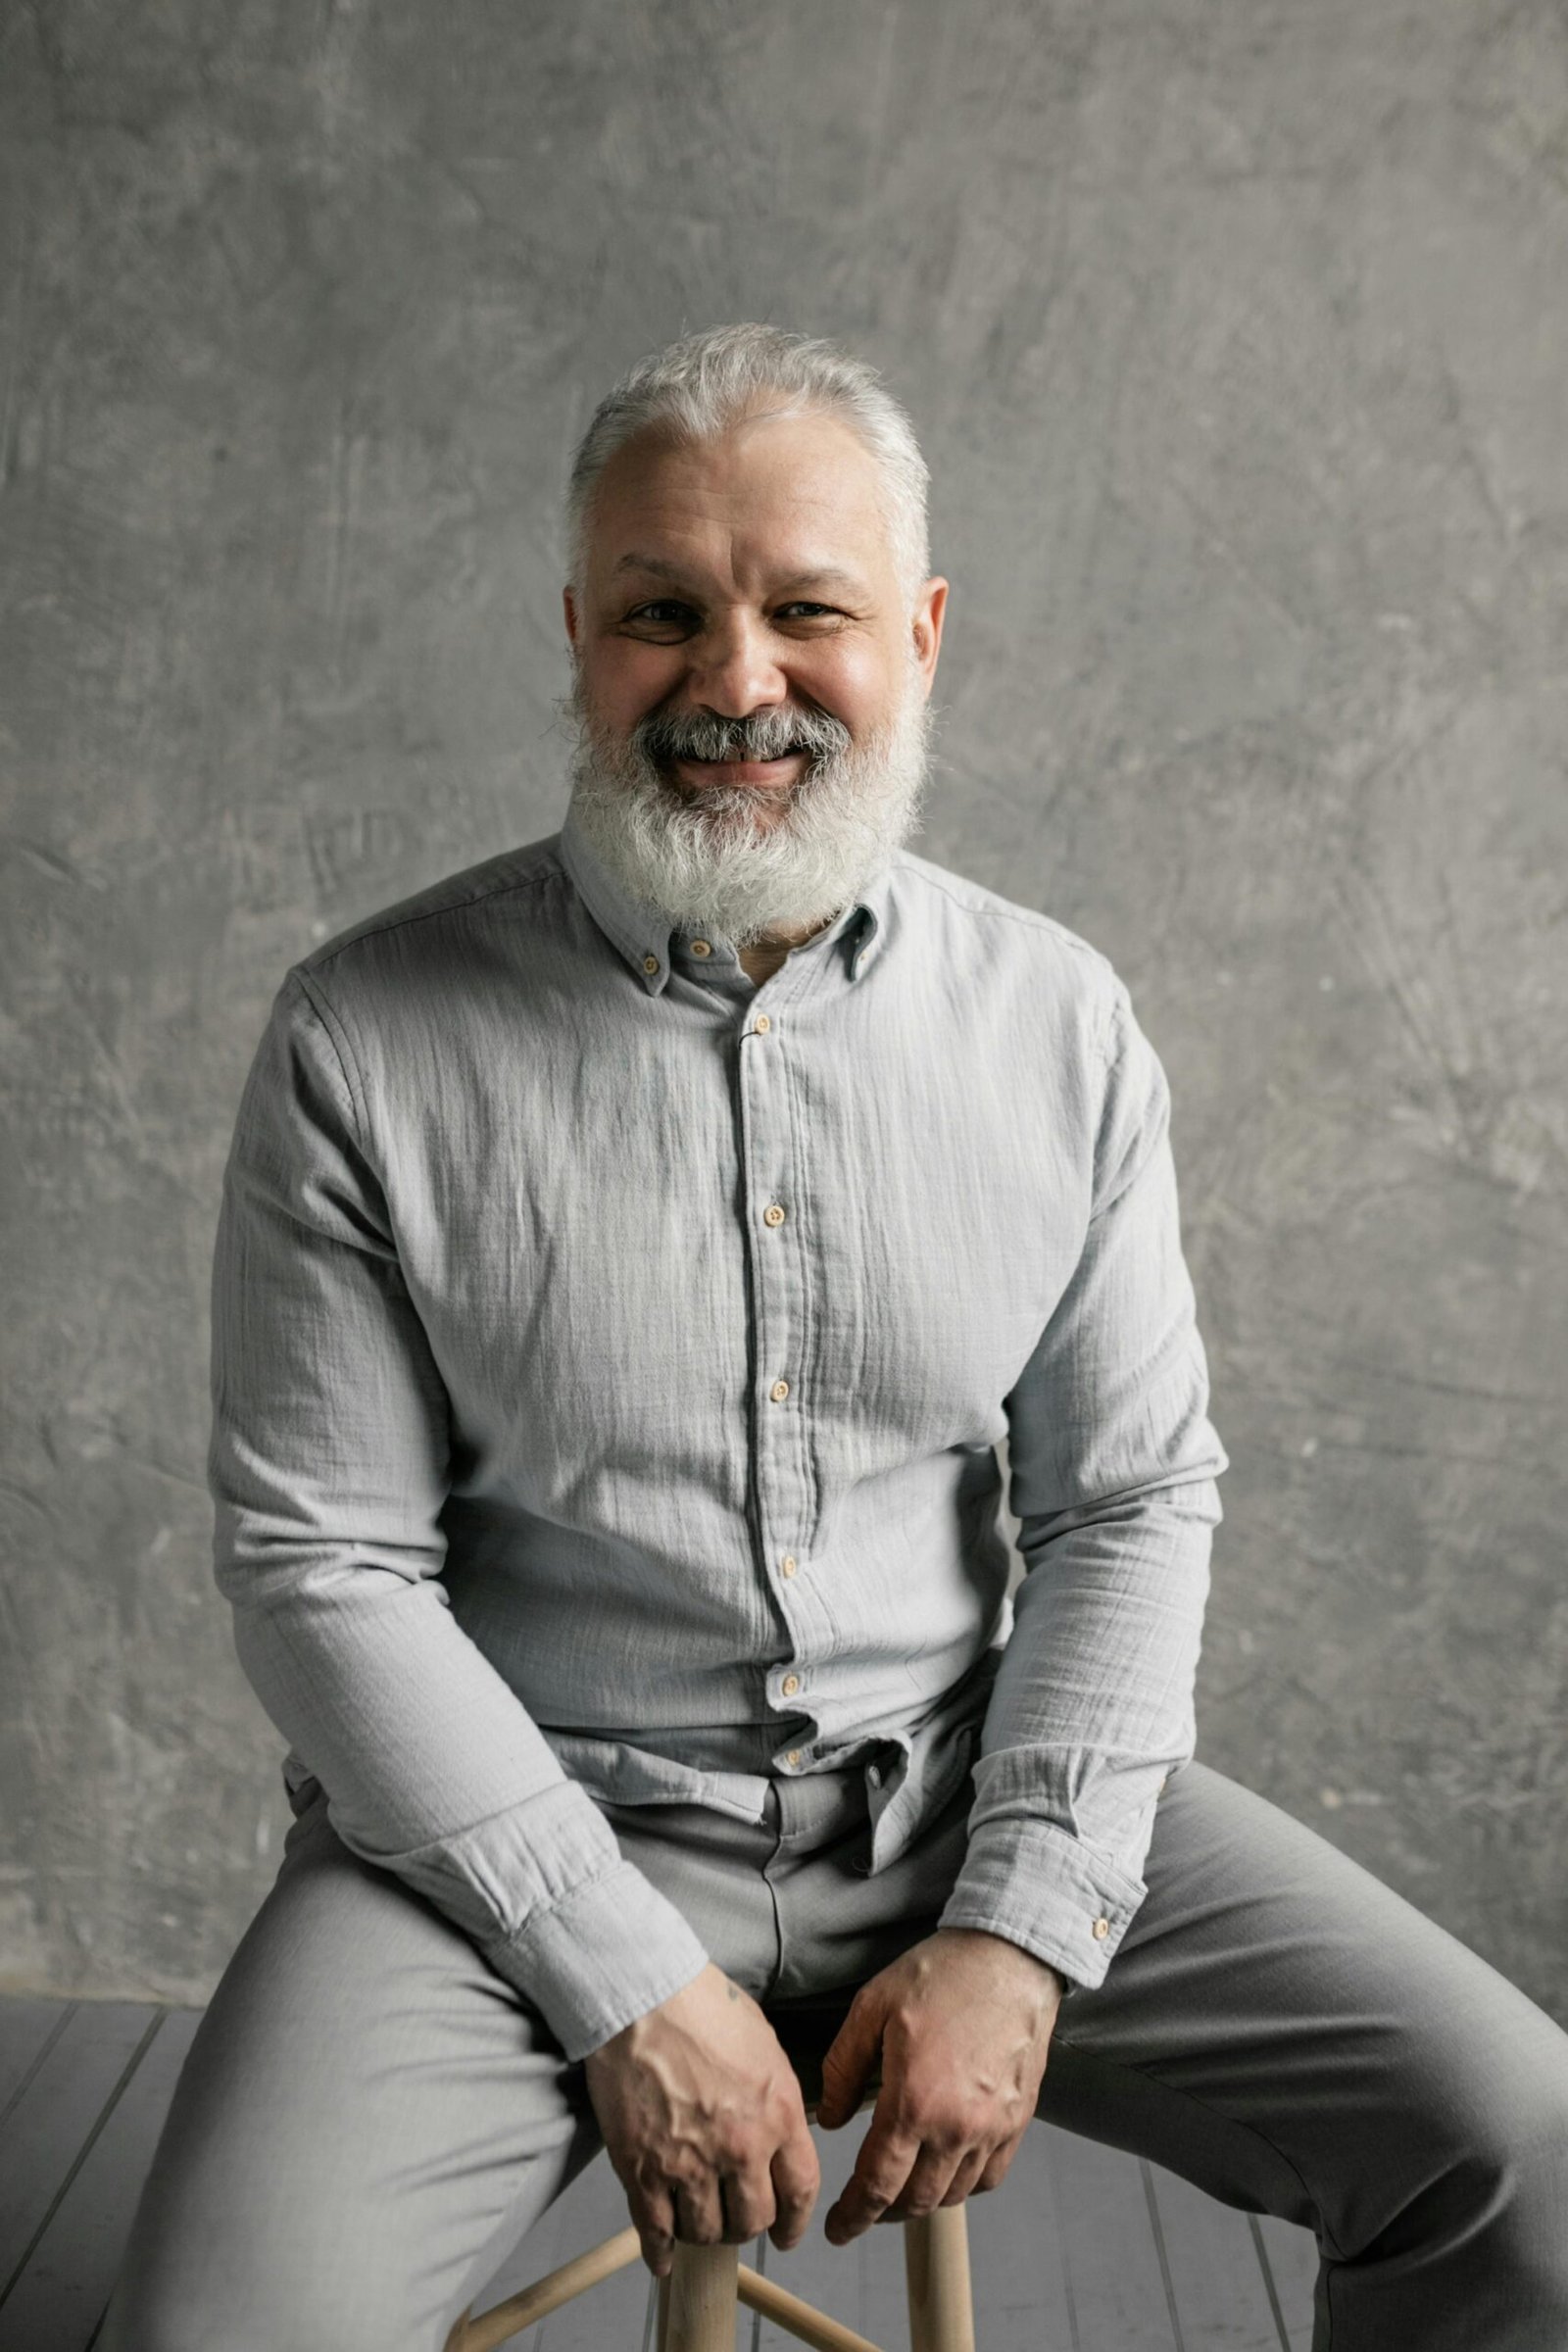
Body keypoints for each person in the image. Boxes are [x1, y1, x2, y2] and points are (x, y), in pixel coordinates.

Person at [102, 323, 1568, 2352]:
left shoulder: (1055, 1024)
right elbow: (320, 1565)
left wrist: (1022, 1930)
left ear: (923, 631)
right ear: (575, 633)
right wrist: (615, 1970)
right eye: (659, 614)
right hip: (511, 1832)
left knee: (1521, 2153)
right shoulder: (363, 1036)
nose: (732, 682)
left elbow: (1130, 1500)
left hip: (960, 1788)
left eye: (807, 611)